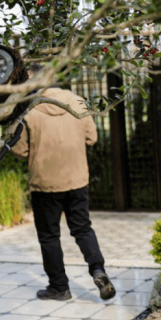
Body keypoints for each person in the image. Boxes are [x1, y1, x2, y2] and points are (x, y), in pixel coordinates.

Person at [11, 64, 115, 301]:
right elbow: (92, 137)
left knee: (49, 236)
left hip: (45, 184)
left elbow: (20, 150)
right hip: (76, 180)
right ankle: (97, 269)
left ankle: (59, 287)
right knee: (82, 228)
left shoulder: (28, 109)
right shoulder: (77, 102)